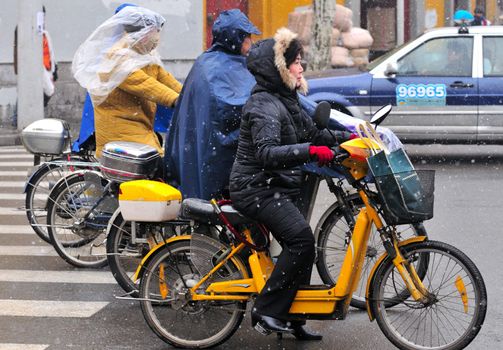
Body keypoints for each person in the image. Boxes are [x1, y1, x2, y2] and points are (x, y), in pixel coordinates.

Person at [228, 28, 351, 338]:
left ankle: (295, 315)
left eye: (301, 61)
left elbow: (313, 133)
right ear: (279, 68)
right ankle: (267, 310)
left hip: (274, 186)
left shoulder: (286, 99)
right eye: (296, 62)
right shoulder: (264, 105)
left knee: (303, 246)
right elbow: (268, 153)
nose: (301, 67)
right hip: (257, 188)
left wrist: (348, 139)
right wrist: (311, 152)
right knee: (302, 242)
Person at [164, 9, 260, 199]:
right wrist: (260, 106)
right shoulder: (213, 66)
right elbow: (225, 105)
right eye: (247, 36)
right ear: (236, 38)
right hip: (213, 147)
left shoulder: (213, 61)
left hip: (207, 144)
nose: (251, 42)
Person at [72, 6, 182, 157]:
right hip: (121, 132)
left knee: (165, 165)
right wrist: (176, 100)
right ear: (141, 34)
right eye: (154, 33)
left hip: (138, 127)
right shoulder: (118, 58)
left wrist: (189, 93)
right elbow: (145, 84)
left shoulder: (143, 56)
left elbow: (166, 80)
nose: (157, 39)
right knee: (160, 165)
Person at [13, 5, 57, 126]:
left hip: (44, 67)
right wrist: (19, 67)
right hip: (30, 67)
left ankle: (30, 115)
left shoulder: (43, 32)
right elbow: (18, 48)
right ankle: (17, 118)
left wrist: (53, 69)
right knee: (25, 92)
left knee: (46, 91)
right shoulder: (22, 28)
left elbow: (50, 50)